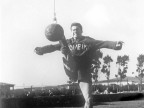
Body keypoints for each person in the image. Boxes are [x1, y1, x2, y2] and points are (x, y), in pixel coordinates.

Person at [35, 22, 123, 108]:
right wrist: (41, 50)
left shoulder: (88, 41)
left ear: (81, 31)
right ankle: (61, 36)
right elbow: (53, 47)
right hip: (71, 67)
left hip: (83, 72)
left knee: (88, 100)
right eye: (73, 30)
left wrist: (115, 44)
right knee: (64, 46)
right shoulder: (68, 42)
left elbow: (103, 43)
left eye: (77, 29)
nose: (75, 31)